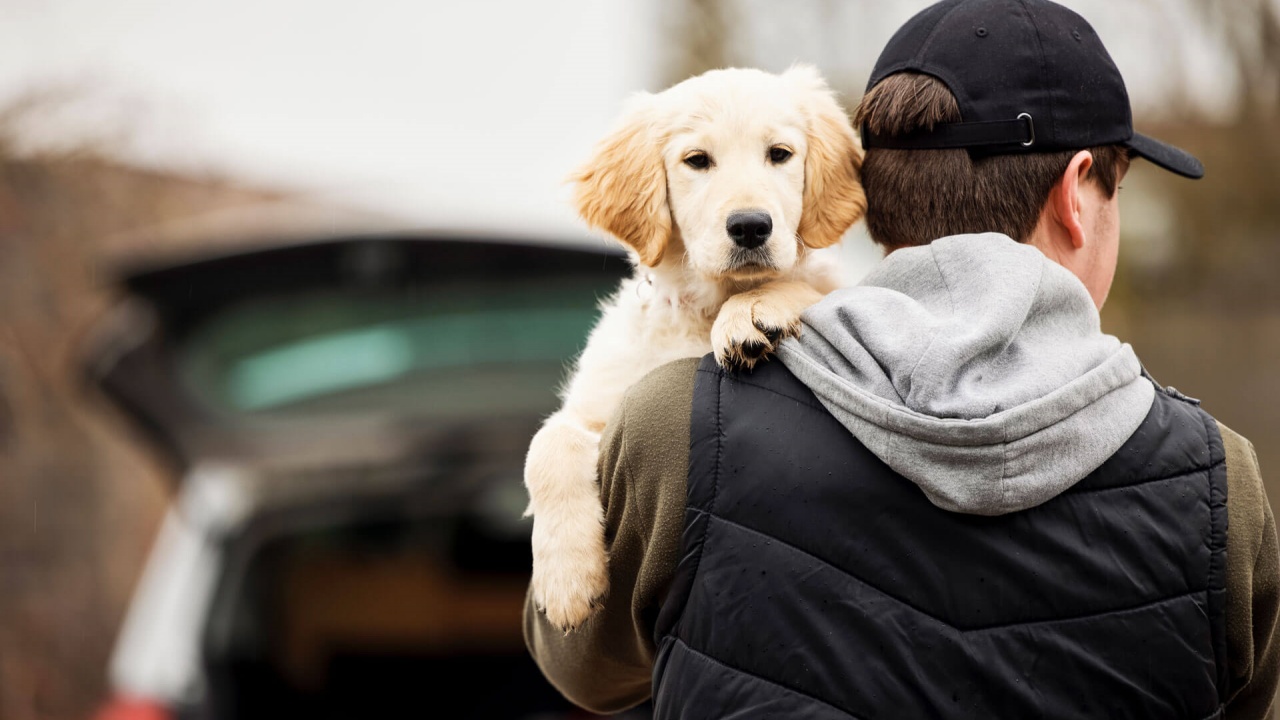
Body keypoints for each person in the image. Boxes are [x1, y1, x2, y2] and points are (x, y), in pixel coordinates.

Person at [524, 0, 1280, 717]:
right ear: (1078, 194)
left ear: (861, 194)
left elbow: (585, 665)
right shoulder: (1220, 483)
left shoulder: (676, 424)